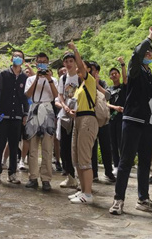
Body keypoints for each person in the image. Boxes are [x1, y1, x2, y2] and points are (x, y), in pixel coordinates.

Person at [109, 27, 152, 216]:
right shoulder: (134, 69)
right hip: (132, 120)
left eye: (151, 52)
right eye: (146, 51)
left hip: (148, 124)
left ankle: (143, 199)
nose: (148, 54)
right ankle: (118, 200)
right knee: (126, 161)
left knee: (145, 162)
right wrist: (150, 37)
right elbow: (137, 53)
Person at [0, 50, 29, 184]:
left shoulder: (25, 78)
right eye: (15, 56)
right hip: (3, 115)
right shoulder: (4, 74)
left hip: (17, 116)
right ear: (11, 59)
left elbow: (25, 98)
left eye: (20, 57)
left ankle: (12, 174)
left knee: (14, 146)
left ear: (23, 60)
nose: (17, 58)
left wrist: (25, 114)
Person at [66, 42, 99, 204]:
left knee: (85, 157)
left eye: (82, 66)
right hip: (78, 119)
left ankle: (88, 193)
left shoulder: (90, 81)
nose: (79, 67)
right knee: (77, 157)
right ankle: (82, 190)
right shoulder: (79, 86)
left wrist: (75, 50)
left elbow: (79, 64)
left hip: (88, 120)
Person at [24, 53, 58, 191]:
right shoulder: (31, 78)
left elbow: (56, 95)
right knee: (32, 146)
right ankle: (33, 177)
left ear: (48, 63)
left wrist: (49, 79)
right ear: (36, 64)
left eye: (44, 62)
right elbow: (27, 94)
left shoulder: (54, 79)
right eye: (40, 62)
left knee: (47, 147)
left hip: (48, 109)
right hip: (34, 109)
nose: (42, 64)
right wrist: (37, 78)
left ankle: (46, 179)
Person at [87, 61, 116, 183]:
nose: (90, 71)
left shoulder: (102, 83)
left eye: (92, 69)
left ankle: (108, 172)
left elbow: (108, 96)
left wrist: (97, 84)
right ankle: (93, 173)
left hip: (103, 119)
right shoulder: (85, 82)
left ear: (97, 71)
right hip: (90, 118)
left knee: (106, 147)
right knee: (92, 147)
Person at [56, 52, 80, 188]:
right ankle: (70, 177)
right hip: (65, 116)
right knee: (65, 147)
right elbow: (60, 95)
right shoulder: (63, 78)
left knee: (78, 148)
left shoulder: (81, 77)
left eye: (71, 61)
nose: (69, 64)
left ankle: (81, 178)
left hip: (79, 116)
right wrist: (65, 107)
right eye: (66, 61)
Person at [107, 57, 126, 174]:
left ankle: (123, 165)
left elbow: (126, 78)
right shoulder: (109, 90)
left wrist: (122, 64)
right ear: (109, 77)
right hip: (111, 118)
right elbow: (104, 102)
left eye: (115, 73)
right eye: (112, 74)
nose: (114, 75)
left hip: (122, 119)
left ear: (118, 75)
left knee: (121, 142)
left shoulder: (123, 87)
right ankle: (116, 165)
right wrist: (114, 107)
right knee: (113, 142)